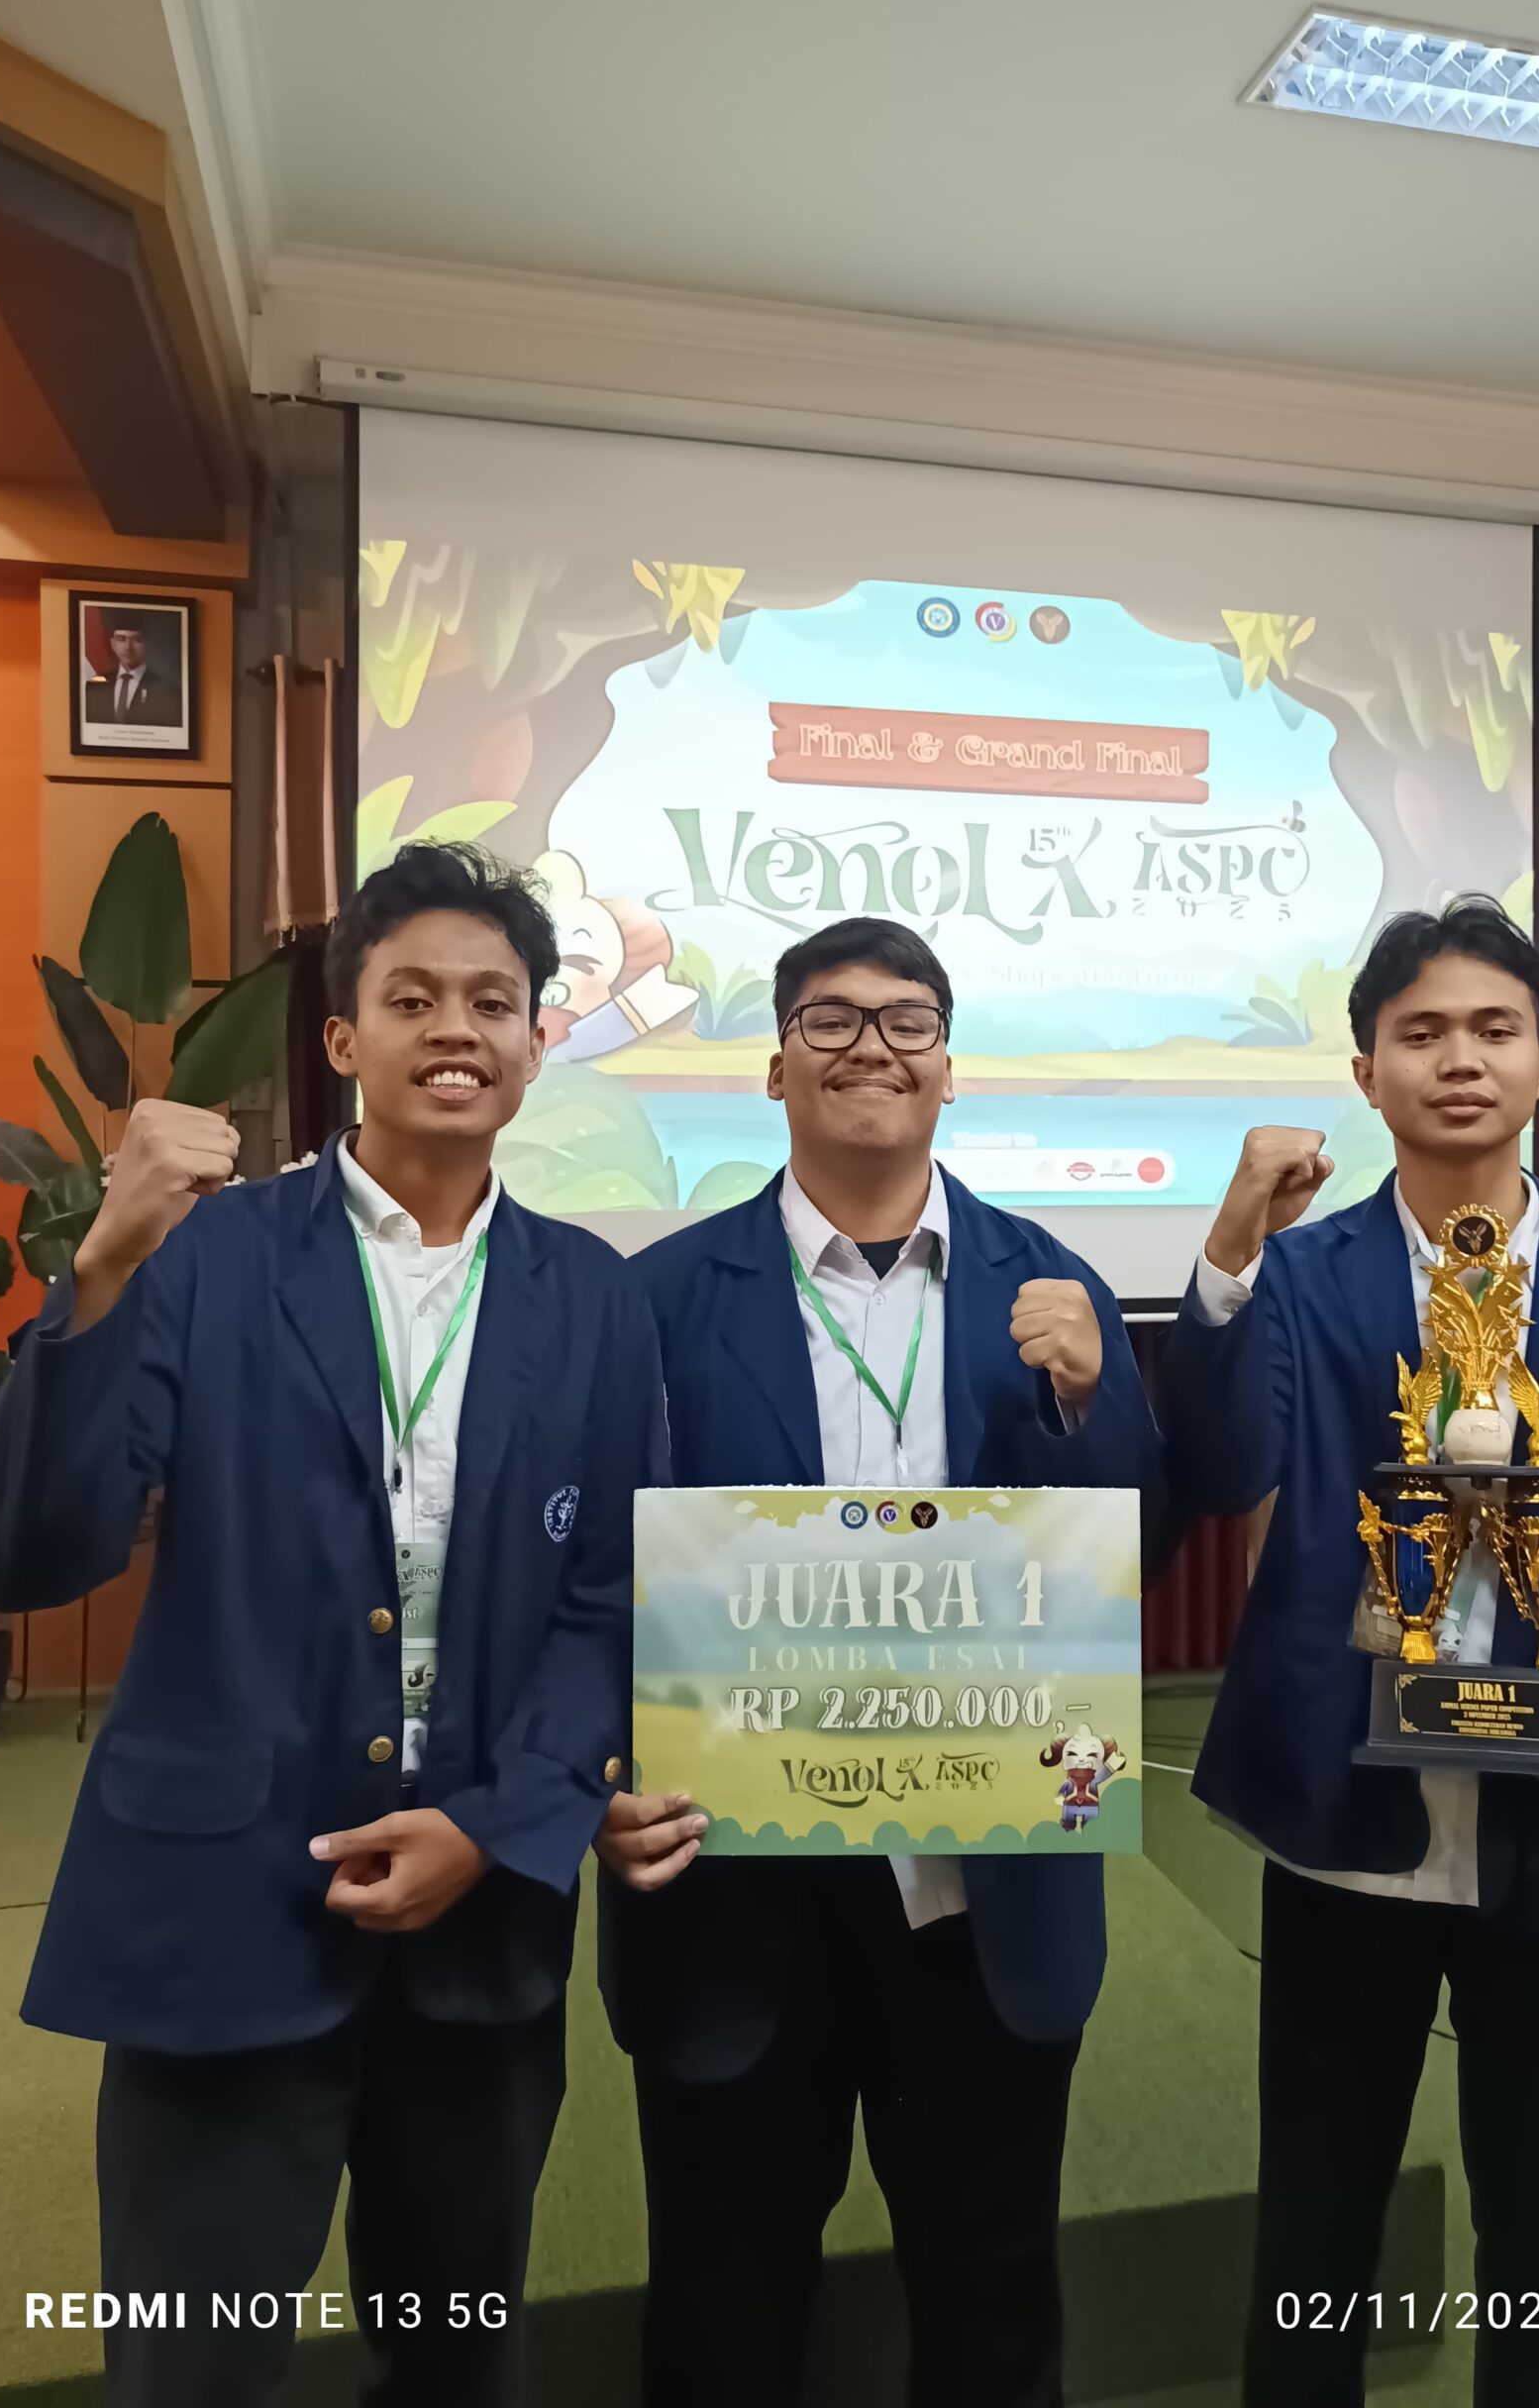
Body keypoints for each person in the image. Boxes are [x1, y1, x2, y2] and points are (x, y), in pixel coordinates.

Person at [0, 842, 669, 2408]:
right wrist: (105, 1261)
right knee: (193, 2371)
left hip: (481, 1939)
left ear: (536, 1043)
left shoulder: (595, 1300)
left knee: (456, 2363)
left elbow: (609, 1599)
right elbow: (25, 1554)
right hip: (227, 1903)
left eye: (493, 1000)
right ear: (344, 1038)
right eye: (411, 998)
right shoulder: (205, 1256)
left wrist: (497, 1825)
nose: (455, 1027)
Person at [1164, 895, 1539, 2408]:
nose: (1460, 1058)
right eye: (1420, 1032)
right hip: (1346, 1829)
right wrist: (1228, 1251)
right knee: (1315, 2229)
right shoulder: (1300, 1278)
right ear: (1368, 1072)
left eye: (1495, 1027)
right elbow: (1222, 1468)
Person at [597, 916, 1161, 2408]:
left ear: (949, 1067)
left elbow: (1135, 1559)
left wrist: (1091, 1402)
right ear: (775, 1065)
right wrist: (601, 1777)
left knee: (991, 2296)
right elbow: (594, 1580)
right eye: (832, 1019)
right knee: (723, 2303)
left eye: (908, 1021)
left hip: (980, 1892)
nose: (872, 1047)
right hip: (738, 1887)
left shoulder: (1057, 1289)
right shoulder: (656, 1300)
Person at [83, 614, 181, 729]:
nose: (128, 647)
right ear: (113, 644)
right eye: (121, 639)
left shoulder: (167, 691)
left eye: (137, 640)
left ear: (147, 644)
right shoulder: (94, 687)